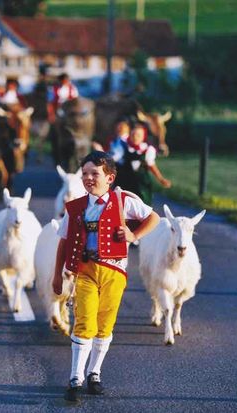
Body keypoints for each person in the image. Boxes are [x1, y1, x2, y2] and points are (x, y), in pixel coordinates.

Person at [52, 150, 160, 403]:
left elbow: (153, 217)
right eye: (85, 174)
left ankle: (94, 373)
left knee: (105, 323)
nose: (89, 178)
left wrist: (134, 236)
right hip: (86, 271)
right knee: (84, 320)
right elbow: (64, 242)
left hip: (114, 272)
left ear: (109, 177)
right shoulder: (75, 207)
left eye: (95, 174)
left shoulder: (124, 201)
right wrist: (57, 275)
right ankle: (75, 378)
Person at [114, 122, 171, 205]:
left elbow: (151, 165)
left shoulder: (147, 149)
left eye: (138, 135)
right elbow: (114, 161)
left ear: (143, 137)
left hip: (141, 184)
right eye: (133, 134)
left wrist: (161, 179)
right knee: (123, 205)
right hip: (125, 182)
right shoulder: (122, 147)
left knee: (143, 205)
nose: (135, 137)